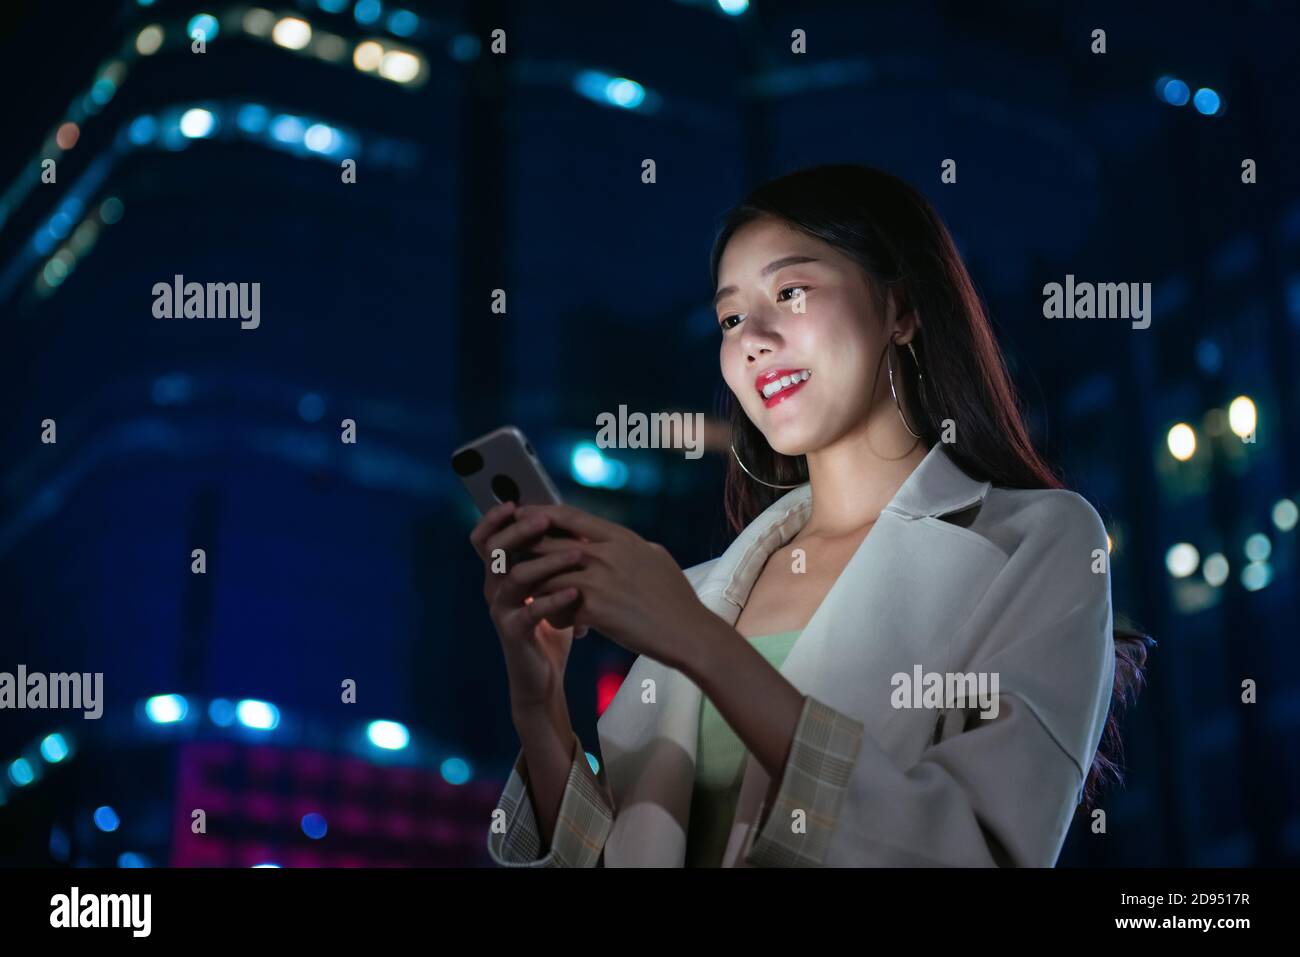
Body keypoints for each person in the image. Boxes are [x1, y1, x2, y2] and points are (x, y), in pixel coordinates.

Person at [472, 164, 1151, 867]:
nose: (752, 338)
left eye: (791, 291)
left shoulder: (1037, 539)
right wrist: (541, 704)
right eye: (730, 317)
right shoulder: (701, 591)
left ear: (901, 308)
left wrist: (696, 639)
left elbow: (968, 850)